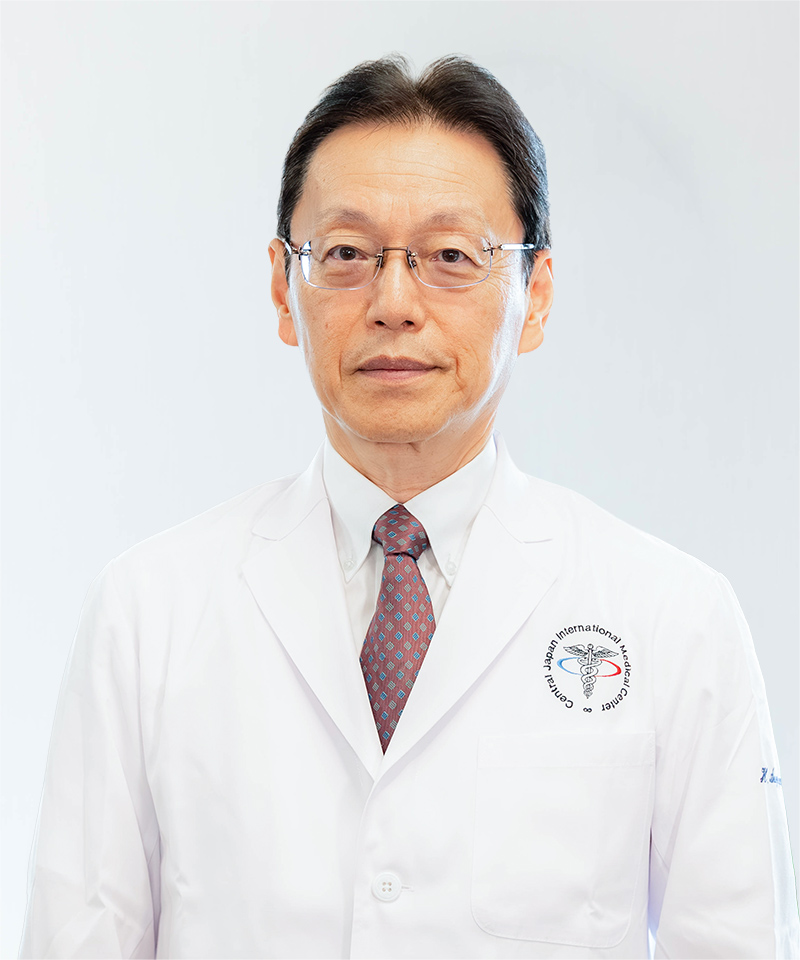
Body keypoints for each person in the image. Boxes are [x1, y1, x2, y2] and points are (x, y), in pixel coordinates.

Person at [20, 54, 798, 960]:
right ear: (283, 288)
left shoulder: (676, 619)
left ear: (535, 295)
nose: (394, 303)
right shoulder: (148, 611)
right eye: (346, 255)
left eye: (451, 257)